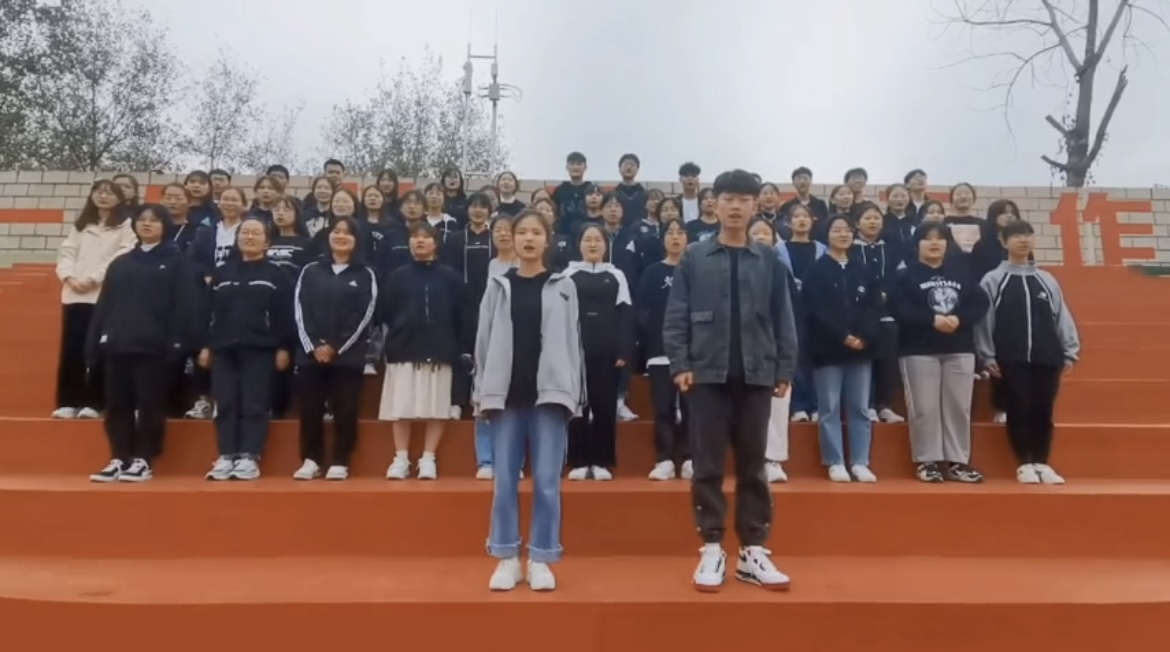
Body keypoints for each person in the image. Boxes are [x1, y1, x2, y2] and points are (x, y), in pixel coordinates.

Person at [663, 169, 797, 592]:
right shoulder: (694, 257)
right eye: (728, 199)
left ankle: (753, 550)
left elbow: (784, 318)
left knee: (754, 466)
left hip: (757, 375)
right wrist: (680, 363)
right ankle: (712, 546)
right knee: (707, 465)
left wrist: (784, 369)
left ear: (755, 206)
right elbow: (676, 315)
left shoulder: (770, 260)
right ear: (714, 204)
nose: (736, 206)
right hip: (706, 375)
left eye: (744, 199)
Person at [476, 209, 585, 592]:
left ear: (547, 239)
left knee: (547, 483)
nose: (527, 238)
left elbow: (574, 343)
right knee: (505, 481)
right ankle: (507, 557)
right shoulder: (497, 286)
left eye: (536, 232)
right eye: (521, 231)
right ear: (511, 237)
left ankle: (541, 557)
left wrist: (574, 393)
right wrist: (481, 392)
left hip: (550, 398)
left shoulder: (564, 286)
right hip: (506, 397)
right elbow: (483, 342)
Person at [85, 204, 199, 482]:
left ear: (164, 225)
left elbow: (186, 306)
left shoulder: (178, 262)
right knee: (117, 406)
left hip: (155, 349)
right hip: (118, 345)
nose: (147, 224)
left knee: (150, 405)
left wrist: (178, 344)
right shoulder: (121, 263)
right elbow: (105, 305)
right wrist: (95, 342)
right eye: (142, 220)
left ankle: (144, 459)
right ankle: (119, 457)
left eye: (154, 220)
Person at [975, 220, 1080, 485]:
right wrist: (987, 355)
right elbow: (984, 321)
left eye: (1027, 235)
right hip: (1011, 359)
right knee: (1019, 409)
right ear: (1004, 242)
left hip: (1047, 357)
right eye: (1016, 236)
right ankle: (1024, 463)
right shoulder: (993, 280)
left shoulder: (1046, 280)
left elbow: (1061, 316)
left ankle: (1042, 462)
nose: (1023, 240)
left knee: (1043, 411)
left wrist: (1070, 350)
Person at [889, 223, 989, 483]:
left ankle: (958, 462)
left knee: (959, 407)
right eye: (928, 239)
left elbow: (980, 302)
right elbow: (898, 308)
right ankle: (928, 461)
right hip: (918, 350)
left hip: (959, 349)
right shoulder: (905, 276)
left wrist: (960, 319)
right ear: (917, 244)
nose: (934, 243)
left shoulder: (961, 272)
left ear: (947, 244)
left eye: (940, 239)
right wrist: (930, 320)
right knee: (924, 408)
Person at [197, 217, 293, 481]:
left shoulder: (277, 275)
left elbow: (285, 315)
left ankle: (250, 456)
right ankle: (226, 455)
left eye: (256, 233)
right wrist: (206, 345)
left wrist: (284, 347)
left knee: (254, 404)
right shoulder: (222, 273)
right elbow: (208, 312)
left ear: (267, 242)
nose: (249, 237)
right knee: (225, 403)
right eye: (245, 233)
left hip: (261, 349)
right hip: (223, 349)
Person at [378, 222, 468, 480]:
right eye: (415, 237)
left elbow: (460, 314)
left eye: (426, 237)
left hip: (441, 348)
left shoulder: (450, 277)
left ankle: (428, 457)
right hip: (403, 348)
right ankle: (401, 457)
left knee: (437, 407)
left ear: (435, 243)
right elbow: (385, 312)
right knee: (400, 407)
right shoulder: (397, 276)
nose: (420, 241)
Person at [292, 217, 379, 481]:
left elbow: (364, 315)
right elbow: (300, 309)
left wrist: (337, 346)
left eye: (347, 233)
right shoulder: (310, 270)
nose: (340, 236)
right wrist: (314, 345)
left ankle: (341, 459)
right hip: (310, 355)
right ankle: (311, 459)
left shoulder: (365, 274)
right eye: (336, 231)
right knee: (310, 409)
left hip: (347, 356)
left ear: (357, 240)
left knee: (346, 408)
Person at [803, 214, 882, 483]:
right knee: (830, 407)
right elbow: (815, 310)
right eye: (837, 230)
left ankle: (860, 461)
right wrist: (842, 335)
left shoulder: (864, 269)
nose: (843, 234)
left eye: (847, 230)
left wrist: (864, 336)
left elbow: (874, 307)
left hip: (861, 350)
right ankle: (835, 461)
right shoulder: (816, 271)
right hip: (827, 350)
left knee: (859, 407)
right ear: (826, 234)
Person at [53, 179, 137, 420]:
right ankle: (68, 401)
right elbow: (67, 252)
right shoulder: (82, 224)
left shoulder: (126, 225)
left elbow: (122, 255)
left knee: (101, 350)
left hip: (104, 294)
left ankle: (94, 401)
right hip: (75, 294)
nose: (103, 196)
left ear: (120, 198)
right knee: (72, 349)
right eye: (99, 192)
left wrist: (94, 278)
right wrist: (69, 277)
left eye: (110, 193)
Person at [564, 223, 634, 481]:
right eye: (587, 240)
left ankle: (603, 461)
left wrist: (623, 349)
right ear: (579, 244)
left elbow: (625, 314)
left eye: (598, 240)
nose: (593, 244)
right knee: (577, 407)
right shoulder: (568, 275)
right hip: (576, 350)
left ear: (606, 245)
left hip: (608, 351)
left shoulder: (616, 276)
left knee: (605, 407)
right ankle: (578, 461)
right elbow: (560, 315)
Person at [639, 217, 691, 480]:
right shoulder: (652, 272)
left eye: (680, 232)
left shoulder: (695, 271)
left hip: (692, 354)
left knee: (692, 408)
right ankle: (665, 459)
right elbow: (642, 311)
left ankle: (690, 458)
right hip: (659, 352)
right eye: (670, 233)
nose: (675, 237)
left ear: (687, 238)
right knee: (663, 408)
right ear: (663, 239)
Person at [748, 218, 795, 483]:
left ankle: (772, 460)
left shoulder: (779, 269)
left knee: (777, 407)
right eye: (755, 233)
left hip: (772, 349)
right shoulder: (733, 264)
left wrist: (787, 356)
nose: (760, 237)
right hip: (738, 350)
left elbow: (789, 315)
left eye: (766, 233)